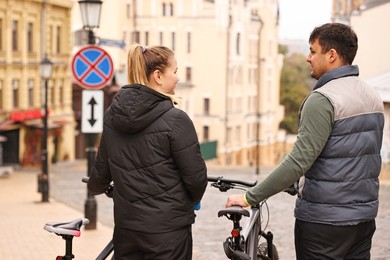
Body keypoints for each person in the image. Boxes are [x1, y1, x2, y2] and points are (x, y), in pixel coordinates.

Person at [226, 23, 384, 259]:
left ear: (331, 55)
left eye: (313, 51)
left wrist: (251, 197)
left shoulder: (323, 99)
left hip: (324, 223)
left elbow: (299, 160)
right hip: (362, 220)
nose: (308, 57)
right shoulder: (372, 95)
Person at [87, 43, 208, 260]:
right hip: (168, 233)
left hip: (127, 230)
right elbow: (196, 179)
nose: (178, 78)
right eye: (175, 71)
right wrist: (189, 202)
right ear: (158, 76)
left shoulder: (112, 116)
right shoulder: (176, 120)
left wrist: (102, 186)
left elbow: (99, 178)